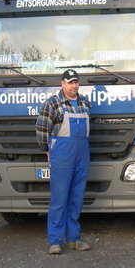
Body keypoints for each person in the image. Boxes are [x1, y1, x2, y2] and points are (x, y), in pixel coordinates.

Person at [35, 69, 92, 255]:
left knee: (76, 199)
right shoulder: (52, 104)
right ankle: (55, 241)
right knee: (59, 199)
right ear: (62, 83)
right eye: (70, 82)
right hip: (61, 156)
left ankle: (74, 239)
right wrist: (47, 149)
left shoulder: (85, 104)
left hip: (81, 155)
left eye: (76, 82)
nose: (73, 86)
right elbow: (42, 128)